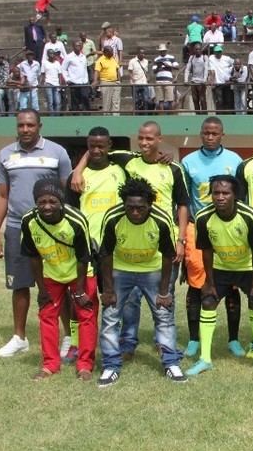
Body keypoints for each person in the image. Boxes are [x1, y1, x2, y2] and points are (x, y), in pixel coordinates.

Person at [71, 121, 189, 358]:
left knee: (165, 294)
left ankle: (163, 341)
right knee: (131, 298)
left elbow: (183, 204)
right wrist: (77, 170)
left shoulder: (173, 168)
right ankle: (128, 341)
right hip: (131, 237)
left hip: (163, 239)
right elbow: (95, 150)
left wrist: (181, 239)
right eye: (141, 138)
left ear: (159, 139)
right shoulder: (128, 159)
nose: (144, 143)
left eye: (150, 139)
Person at [0, 110, 72, 357]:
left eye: (30, 125)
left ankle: (69, 336)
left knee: (58, 283)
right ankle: (19, 337)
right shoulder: (6, 154)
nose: (25, 129)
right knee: (20, 284)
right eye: (21, 125)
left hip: (50, 229)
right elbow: (2, 195)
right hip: (18, 227)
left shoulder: (57, 152)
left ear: (39, 125)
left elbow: (67, 192)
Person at [98, 178, 186, 387]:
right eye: (130, 207)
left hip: (152, 270)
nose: (135, 212)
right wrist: (108, 289)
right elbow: (106, 254)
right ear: (123, 204)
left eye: (141, 208)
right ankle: (111, 365)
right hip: (121, 270)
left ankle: (171, 363)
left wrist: (164, 291)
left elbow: (168, 256)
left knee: (163, 316)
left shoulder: (161, 220)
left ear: (150, 205)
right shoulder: (113, 218)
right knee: (111, 317)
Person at [188, 175, 253, 380]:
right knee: (207, 301)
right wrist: (208, 281)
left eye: (225, 193)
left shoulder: (249, 215)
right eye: (216, 193)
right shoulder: (203, 217)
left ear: (235, 195)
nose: (220, 197)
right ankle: (205, 358)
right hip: (221, 268)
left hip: (248, 267)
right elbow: (206, 250)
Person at [21, 179, 98, 381]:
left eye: (52, 201)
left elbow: (84, 257)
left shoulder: (76, 220)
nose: (47, 206)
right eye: (41, 202)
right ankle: (50, 365)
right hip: (51, 273)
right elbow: (33, 256)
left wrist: (80, 290)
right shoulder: (29, 221)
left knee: (86, 315)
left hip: (79, 273)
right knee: (47, 315)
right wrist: (42, 289)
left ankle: (85, 365)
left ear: (61, 201)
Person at [180, 117, 243, 359]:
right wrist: (183, 233)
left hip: (228, 228)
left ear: (222, 135)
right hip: (198, 227)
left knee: (231, 283)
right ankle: (194, 339)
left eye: (214, 133)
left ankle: (234, 339)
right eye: (206, 132)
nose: (210, 136)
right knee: (197, 283)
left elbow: (241, 197)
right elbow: (184, 200)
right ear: (201, 134)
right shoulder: (188, 162)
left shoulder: (234, 160)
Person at [64, 126, 127, 362]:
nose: (97, 150)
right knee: (80, 297)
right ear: (87, 148)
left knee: (113, 296)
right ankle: (75, 343)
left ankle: (113, 341)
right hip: (86, 247)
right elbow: (69, 213)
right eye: (92, 146)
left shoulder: (121, 171)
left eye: (102, 145)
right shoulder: (76, 177)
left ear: (110, 146)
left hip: (114, 247)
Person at [62, 40, 91, 113]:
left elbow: (85, 69)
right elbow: (63, 69)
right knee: (75, 101)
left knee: (85, 98)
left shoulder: (83, 56)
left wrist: (87, 79)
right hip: (74, 82)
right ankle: (75, 116)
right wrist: (67, 79)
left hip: (84, 82)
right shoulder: (69, 57)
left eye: (80, 45)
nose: (78, 47)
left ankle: (87, 115)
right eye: (77, 45)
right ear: (73, 47)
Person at [93, 46, 120, 115]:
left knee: (116, 101)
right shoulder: (100, 60)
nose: (112, 52)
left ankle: (116, 117)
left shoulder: (113, 59)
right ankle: (106, 117)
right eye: (110, 51)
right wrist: (95, 80)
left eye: (112, 51)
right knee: (106, 102)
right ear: (105, 52)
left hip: (115, 82)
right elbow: (97, 71)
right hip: (106, 82)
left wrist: (119, 80)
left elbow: (117, 69)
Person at [152, 43, 179, 113]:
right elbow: (154, 71)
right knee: (160, 99)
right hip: (159, 80)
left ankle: (171, 113)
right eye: (161, 51)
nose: (162, 52)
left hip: (168, 80)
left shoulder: (171, 57)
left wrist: (168, 66)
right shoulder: (156, 59)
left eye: (163, 50)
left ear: (166, 51)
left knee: (170, 99)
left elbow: (177, 67)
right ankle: (162, 113)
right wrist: (158, 66)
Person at [185, 44, 209, 113]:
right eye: (196, 49)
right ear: (194, 50)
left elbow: (206, 69)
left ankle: (204, 114)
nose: (198, 51)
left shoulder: (205, 57)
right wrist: (186, 80)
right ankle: (197, 115)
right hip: (193, 81)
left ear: (201, 50)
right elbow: (188, 69)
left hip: (201, 82)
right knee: (195, 99)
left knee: (202, 99)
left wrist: (204, 80)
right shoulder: (191, 58)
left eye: (199, 49)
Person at [128, 48, 150, 113]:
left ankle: (145, 114)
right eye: (141, 53)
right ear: (138, 54)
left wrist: (148, 78)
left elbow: (146, 71)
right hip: (135, 83)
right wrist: (132, 79)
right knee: (136, 100)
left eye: (144, 53)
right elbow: (130, 72)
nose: (143, 55)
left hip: (144, 83)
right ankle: (136, 115)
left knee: (146, 100)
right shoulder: (132, 61)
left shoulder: (146, 61)